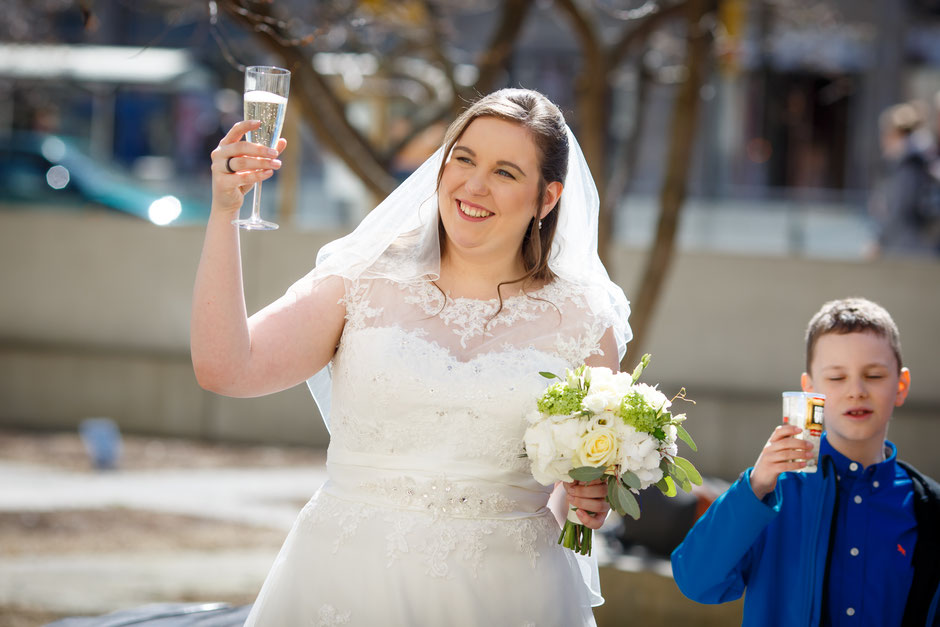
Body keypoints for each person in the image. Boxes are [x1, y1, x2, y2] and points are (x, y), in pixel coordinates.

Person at [191, 88, 632, 626]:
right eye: (463, 159)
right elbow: (225, 368)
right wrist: (224, 212)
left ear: (547, 198)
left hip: (510, 597)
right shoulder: (364, 277)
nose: (473, 186)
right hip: (344, 583)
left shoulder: (583, 320)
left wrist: (588, 495)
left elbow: (576, 488)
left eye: (505, 172)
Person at [670, 297, 940, 626]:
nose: (856, 390)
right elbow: (697, 582)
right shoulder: (773, 493)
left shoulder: (929, 509)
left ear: (901, 386)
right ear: (810, 390)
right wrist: (754, 486)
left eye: (873, 375)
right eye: (837, 378)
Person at [869, 102, 940, 256]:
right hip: (913, 249)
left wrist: (879, 242)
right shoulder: (917, 163)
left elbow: (899, 211)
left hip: (907, 251)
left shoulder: (909, 167)